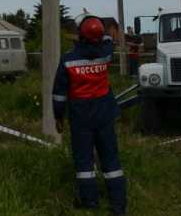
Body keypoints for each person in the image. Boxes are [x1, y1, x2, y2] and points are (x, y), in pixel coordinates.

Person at [53, 14, 127, 215]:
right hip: (104, 115)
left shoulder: (68, 60)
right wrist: (103, 32)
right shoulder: (106, 54)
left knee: (84, 162)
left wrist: (58, 117)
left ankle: (89, 202)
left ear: (80, 35)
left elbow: (59, 95)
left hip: (80, 117)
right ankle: (118, 205)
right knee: (111, 162)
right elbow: (109, 40)